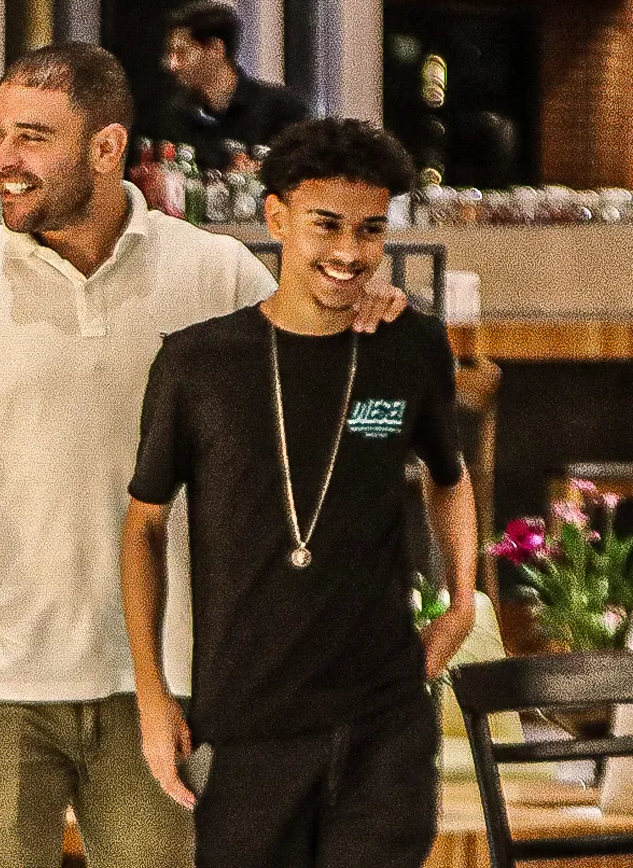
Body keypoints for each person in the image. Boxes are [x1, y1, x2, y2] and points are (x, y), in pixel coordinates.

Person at [0, 44, 406, 868]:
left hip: (165, 681)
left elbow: (311, 399)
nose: (4, 161)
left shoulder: (216, 273)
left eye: (33, 137)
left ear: (105, 146)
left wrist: (364, 304)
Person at [121, 118, 477, 868]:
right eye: (327, 225)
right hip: (249, 725)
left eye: (370, 230)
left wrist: (465, 596)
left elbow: (450, 477)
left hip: (385, 719)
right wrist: (153, 695)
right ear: (277, 216)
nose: (349, 252)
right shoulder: (198, 363)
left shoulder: (410, 346)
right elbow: (143, 528)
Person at [162, 1, 309, 170]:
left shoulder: (282, 110)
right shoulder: (178, 114)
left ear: (216, 49)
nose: (171, 65)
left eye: (182, 53)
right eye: (171, 53)